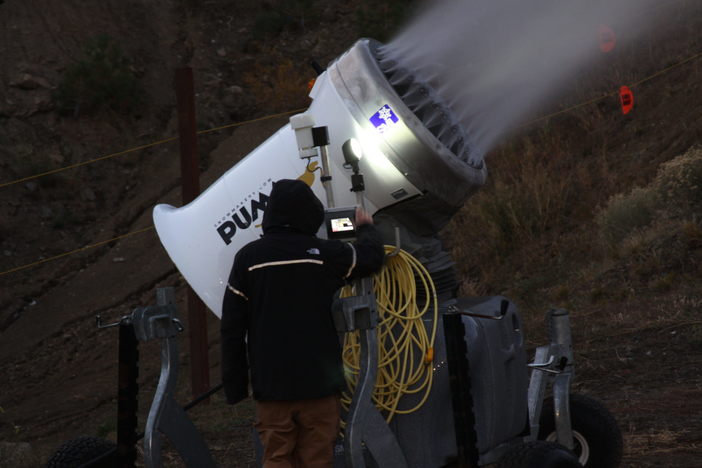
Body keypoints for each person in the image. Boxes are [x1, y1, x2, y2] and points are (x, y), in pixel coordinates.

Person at [221, 178, 385, 468]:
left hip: (271, 387)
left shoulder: (248, 259)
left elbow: (232, 329)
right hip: (319, 385)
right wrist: (366, 227)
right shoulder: (323, 254)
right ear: (309, 214)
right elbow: (371, 258)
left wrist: (235, 387)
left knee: (277, 457)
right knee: (317, 458)